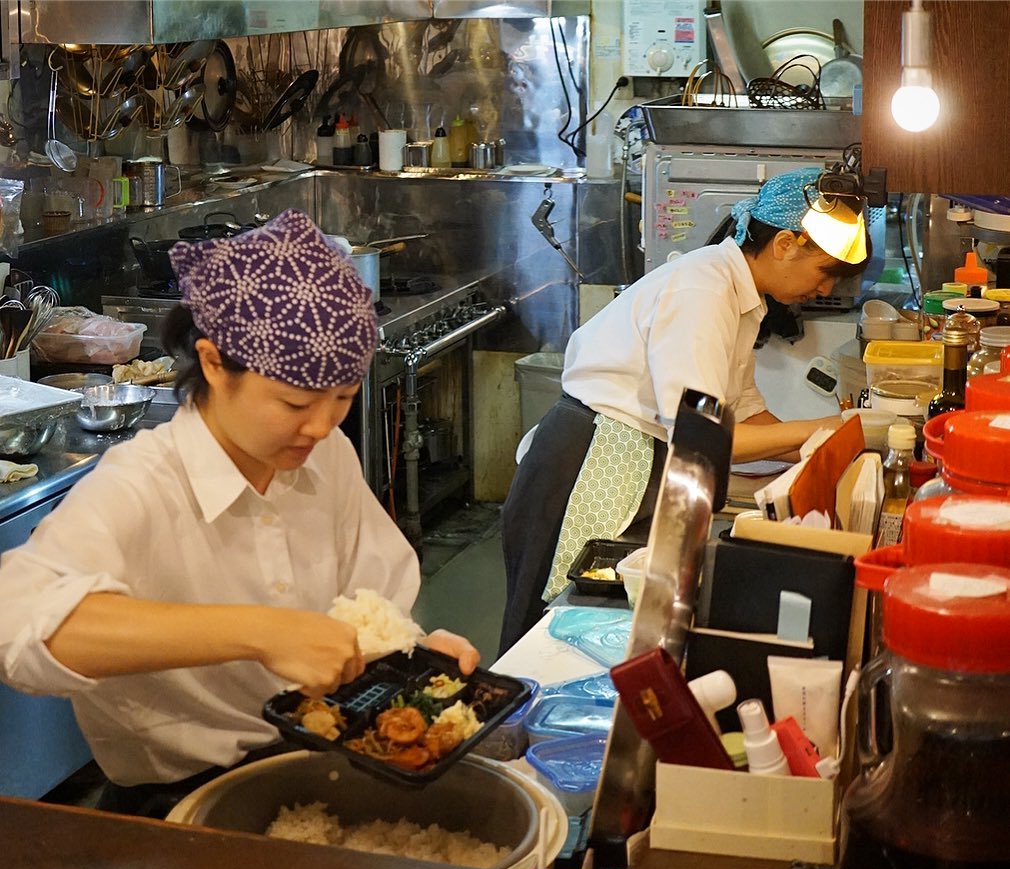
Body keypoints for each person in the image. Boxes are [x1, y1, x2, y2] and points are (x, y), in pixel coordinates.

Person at [0, 209, 478, 817]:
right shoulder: (141, 484)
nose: (322, 424)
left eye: (344, 398)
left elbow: (373, 601)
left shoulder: (326, 454)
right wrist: (258, 632)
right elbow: (15, 625)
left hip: (330, 765)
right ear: (213, 365)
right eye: (294, 402)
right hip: (179, 806)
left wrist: (415, 657)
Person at [499, 167, 871, 654]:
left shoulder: (742, 299)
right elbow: (704, 436)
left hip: (635, 463)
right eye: (824, 273)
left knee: (601, 634)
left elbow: (745, 416)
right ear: (785, 244)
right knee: (549, 634)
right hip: (592, 463)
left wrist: (825, 447)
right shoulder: (703, 290)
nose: (824, 290)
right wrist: (827, 428)